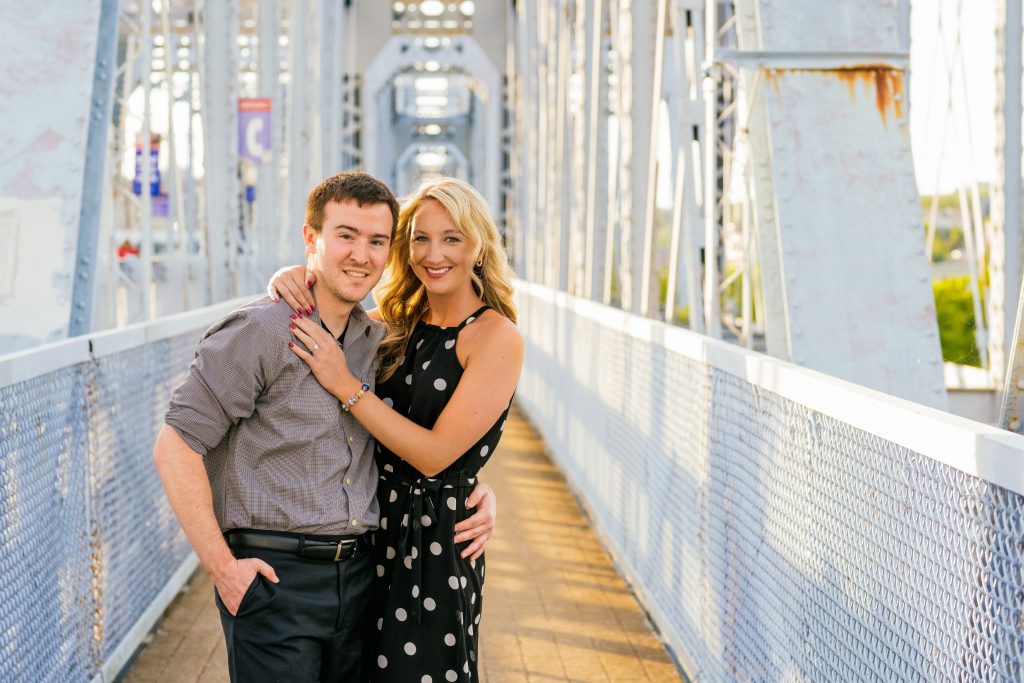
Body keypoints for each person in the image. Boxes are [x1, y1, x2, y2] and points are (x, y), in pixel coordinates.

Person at [153, 171, 495, 683]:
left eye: (377, 241)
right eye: (346, 236)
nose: (361, 255)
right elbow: (174, 446)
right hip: (274, 580)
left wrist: (473, 487)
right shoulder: (260, 332)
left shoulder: (378, 339)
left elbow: (425, 434)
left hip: (364, 580)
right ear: (311, 238)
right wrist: (223, 569)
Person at [269, 176, 523, 682]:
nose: (434, 254)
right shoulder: (394, 321)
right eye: (420, 239)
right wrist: (288, 276)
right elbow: (332, 304)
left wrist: (345, 384)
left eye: (452, 238)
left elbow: (434, 457)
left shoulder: (495, 336)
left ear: (478, 247)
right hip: (365, 532)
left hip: (433, 549)